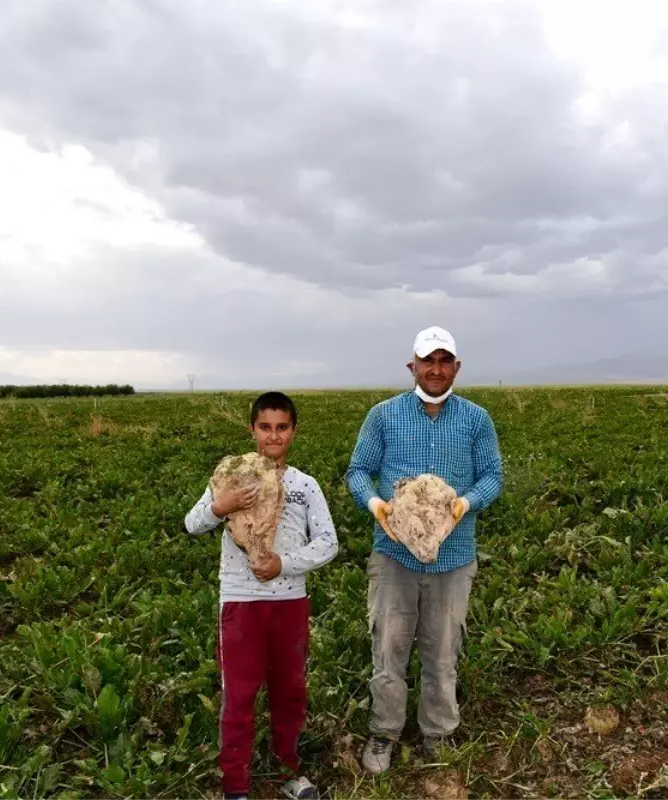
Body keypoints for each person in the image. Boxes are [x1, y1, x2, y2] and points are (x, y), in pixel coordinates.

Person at [344, 326, 503, 774]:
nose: (435, 369)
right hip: (393, 555)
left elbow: (493, 477)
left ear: (456, 367)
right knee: (389, 647)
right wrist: (377, 505)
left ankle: (437, 732)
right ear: (411, 365)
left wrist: (463, 504)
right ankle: (385, 731)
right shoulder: (383, 415)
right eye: (427, 361)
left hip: (454, 557)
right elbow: (358, 471)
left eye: (444, 361)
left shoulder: (476, 419)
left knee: (442, 649)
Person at [184, 391, 337, 800]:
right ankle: (235, 785)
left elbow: (328, 543)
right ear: (252, 430)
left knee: (290, 689)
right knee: (240, 693)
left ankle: (290, 770)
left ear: (293, 432)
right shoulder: (231, 476)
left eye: (282, 428)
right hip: (241, 603)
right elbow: (192, 524)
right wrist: (221, 506)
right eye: (265, 427)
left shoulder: (305, 485)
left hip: (289, 602)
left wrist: (282, 564)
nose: (273, 437)